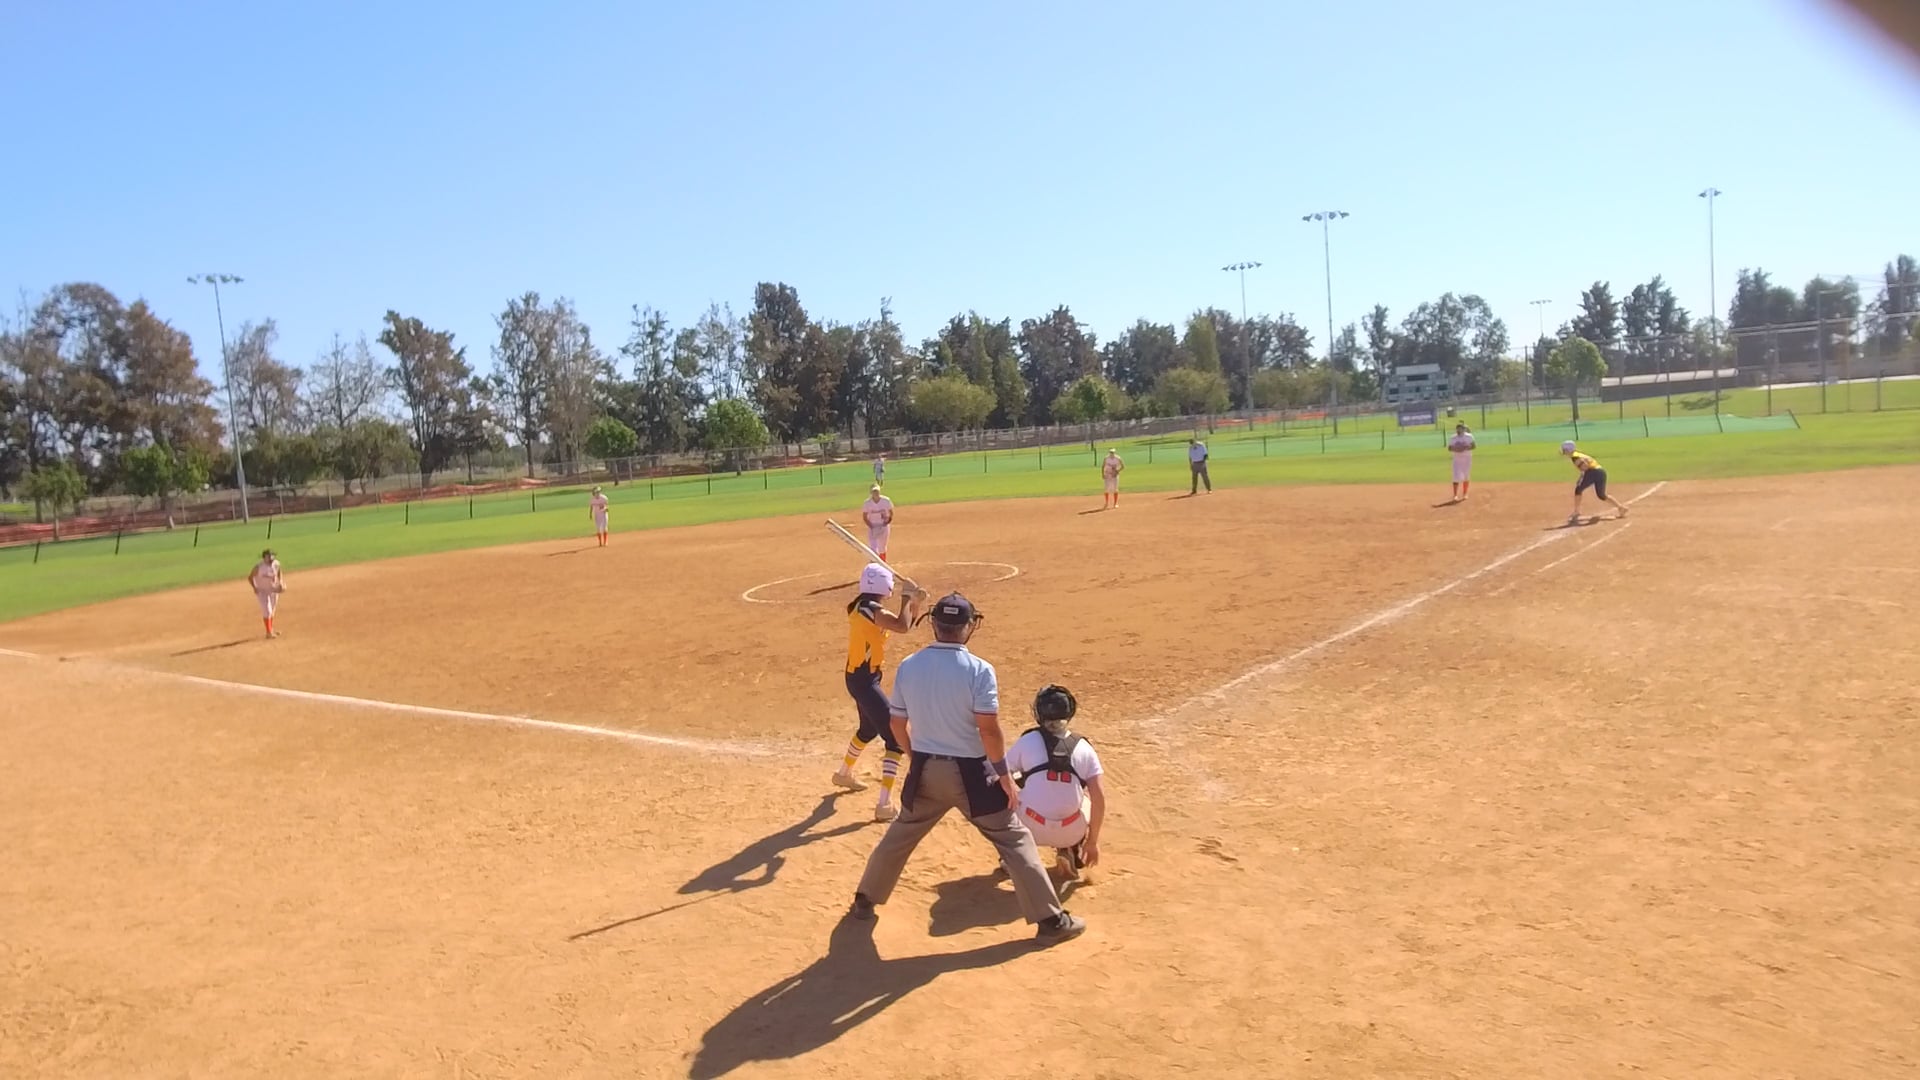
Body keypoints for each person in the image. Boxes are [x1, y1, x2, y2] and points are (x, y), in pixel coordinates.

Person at [848, 593, 1087, 945]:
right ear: (969, 626)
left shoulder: (910, 666)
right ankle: (1051, 921)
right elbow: (988, 730)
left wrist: (916, 758)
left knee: (901, 834)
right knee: (1013, 838)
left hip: (925, 770)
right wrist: (1004, 776)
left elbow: (897, 724)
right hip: (971, 775)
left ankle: (864, 899)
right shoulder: (979, 670)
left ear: (934, 623)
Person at [834, 561, 925, 822]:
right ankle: (884, 804)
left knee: (868, 729)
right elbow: (901, 626)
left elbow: (906, 623)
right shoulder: (868, 609)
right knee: (895, 739)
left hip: (863, 678)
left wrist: (915, 602)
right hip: (863, 681)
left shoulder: (866, 607)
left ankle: (843, 774)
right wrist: (906, 596)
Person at [1006, 684, 1107, 882]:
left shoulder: (1028, 741)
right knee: (1085, 800)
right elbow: (1100, 799)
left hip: (1030, 829)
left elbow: (999, 773)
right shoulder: (1084, 748)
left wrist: (1017, 788)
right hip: (1071, 831)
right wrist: (1093, 842)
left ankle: (1013, 856)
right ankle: (1069, 847)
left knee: (1009, 790)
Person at [1562, 440, 1628, 523]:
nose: (1564, 452)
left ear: (1568, 449)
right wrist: (1582, 476)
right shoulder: (1578, 454)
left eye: (1565, 450)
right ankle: (1621, 508)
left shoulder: (1575, 457)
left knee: (1578, 489)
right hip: (1601, 472)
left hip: (1593, 472)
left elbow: (1585, 466)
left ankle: (1576, 512)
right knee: (1601, 495)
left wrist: (1583, 476)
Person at [247, 549, 285, 639]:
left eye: (272, 556)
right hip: (262, 591)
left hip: (273, 590)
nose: (271, 558)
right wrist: (254, 587)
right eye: (268, 556)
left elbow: (279, 571)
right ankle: (268, 633)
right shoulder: (259, 567)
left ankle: (271, 629)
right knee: (267, 611)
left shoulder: (276, 564)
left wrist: (280, 582)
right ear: (264, 558)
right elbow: (250, 577)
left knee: (272, 610)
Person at [861, 484, 894, 561]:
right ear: (871, 492)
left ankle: (883, 563)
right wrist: (871, 526)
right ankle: (874, 563)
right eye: (874, 491)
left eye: (877, 491)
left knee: (882, 547)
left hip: (883, 526)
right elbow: (865, 516)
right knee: (873, 547)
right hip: (873, 526)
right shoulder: (867, 503)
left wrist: (887, 522)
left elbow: (891, 512)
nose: (876, 493)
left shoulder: (886, 500)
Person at [1448, 423, 1476, 502]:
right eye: (1457, 429)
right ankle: (1455, 495)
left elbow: (1474, 446)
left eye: (1460, 429)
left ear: (1463, 429)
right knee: (1455, 476)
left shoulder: (1469, 436)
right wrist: (1456, 449)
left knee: (1466, 476)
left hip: (1467, 458)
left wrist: (1465, 447)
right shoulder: (1453, 438)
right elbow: (1449, 448)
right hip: (1457, 459)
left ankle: (1465, 493)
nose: (1458, 430)